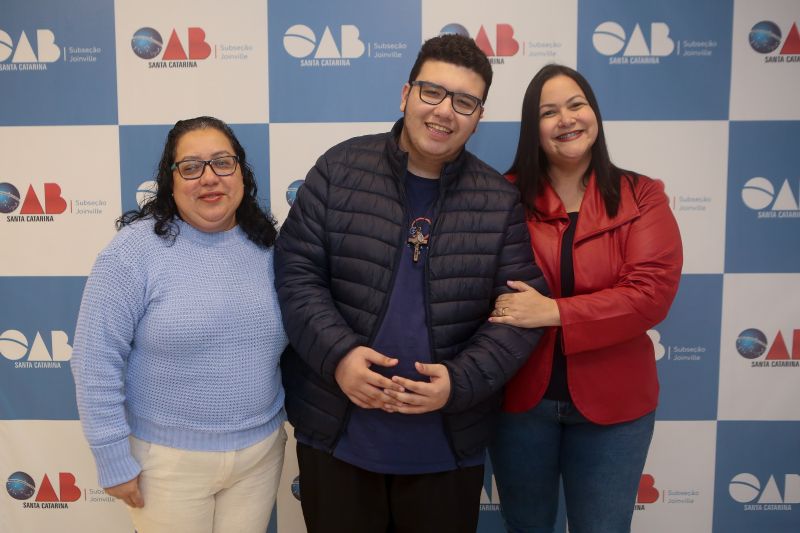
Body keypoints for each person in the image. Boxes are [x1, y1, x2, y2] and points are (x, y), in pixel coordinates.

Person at [274, 34, 547, 533]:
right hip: (337, 434)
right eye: (432, 92)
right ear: (406, 95)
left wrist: (459, 382)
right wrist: (339, 357)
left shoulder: (497, 200)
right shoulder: (339, 169)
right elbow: (297, 274)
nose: (444, 111)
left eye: (464, 102)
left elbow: (517, 316)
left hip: (446, 447)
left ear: (478, 117)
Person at [486, 64, 683, 533]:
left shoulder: (643, 195)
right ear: (533, 128)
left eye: (576, 105)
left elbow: (650, 295)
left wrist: (552, 312)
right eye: (548, 112)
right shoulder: (501, 197)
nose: (566, 119)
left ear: (594, 113)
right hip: (520, 403)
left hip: (616, 408)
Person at [71, 116, 288, 533]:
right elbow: (94, 360)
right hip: (166, 464)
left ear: (241, 173)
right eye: (190, 167)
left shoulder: (270, 247)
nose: (209, 178)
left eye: (222, 162)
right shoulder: (133, 252)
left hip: (259, 457)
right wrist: (112, 457)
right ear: (170, 182)